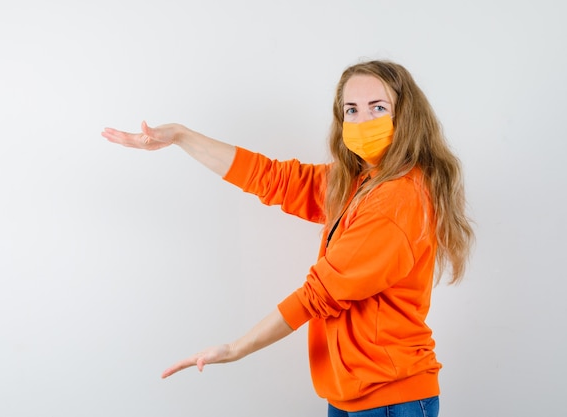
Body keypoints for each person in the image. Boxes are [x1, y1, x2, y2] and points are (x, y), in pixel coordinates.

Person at [101, 60, 474, 417]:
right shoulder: (362, 181)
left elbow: (319, 294)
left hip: (389, 397)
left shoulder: (398, 197)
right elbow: (273, 178)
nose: (362, 121)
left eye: (378, 108)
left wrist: (236, 348)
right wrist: (181, 137)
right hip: (353, 393)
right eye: (352, 110)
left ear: (405, 115)